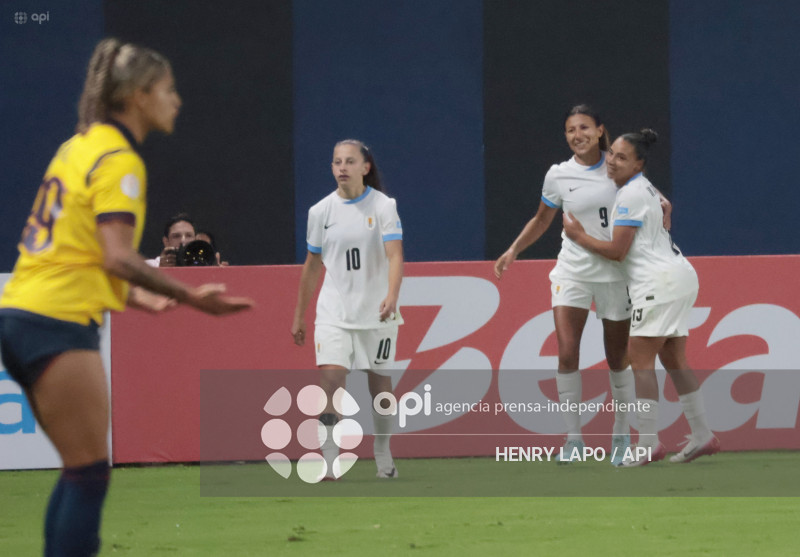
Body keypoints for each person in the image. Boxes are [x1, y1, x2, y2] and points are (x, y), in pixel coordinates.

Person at [0, 38, 254, 556]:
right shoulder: (120, 161)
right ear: (138, 96)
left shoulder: (78, 147)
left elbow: (81, 252)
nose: (176, 99)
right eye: (167, 89)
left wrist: (138, 301)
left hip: (22, 312)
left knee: (80, 469)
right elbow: (117, 256)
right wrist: (189, 297)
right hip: (56, 320)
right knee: (91, 473)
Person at [494, 105, 662, 465]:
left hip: (616, 275)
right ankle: (574, 439)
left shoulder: (619, 167)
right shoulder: (558, 175)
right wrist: (513, 250)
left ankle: (620, 435)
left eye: (584, 127)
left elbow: (659, 205)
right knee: (567, 352)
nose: (577, 135)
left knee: (618, 359)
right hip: (572, 272)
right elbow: (542, 219)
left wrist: (653, 249)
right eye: (570, 130)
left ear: (600, 130)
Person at [562, 128, 720, 466]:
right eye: (612, 154)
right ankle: (702, 434)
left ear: (639, 164)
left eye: (622, 157)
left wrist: (577, 235)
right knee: (674, 360)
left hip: (656, 283)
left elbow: (617, 251)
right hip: (679, 275)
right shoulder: (644, 188)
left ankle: (647, 443)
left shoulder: (631, 194)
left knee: (640, 360)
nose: (613, 162)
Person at [291, 139, 403, 480]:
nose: (342, 167)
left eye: (349, 161)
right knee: (331, 381)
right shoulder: (320, 212)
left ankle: (382, 449)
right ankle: (329, 457)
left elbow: (395, 255)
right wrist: (300, 314)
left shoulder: (383, 206)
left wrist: (392, 294)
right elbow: (312, 265)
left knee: (381, 389)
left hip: (376, 313)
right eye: (337, 161)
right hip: (333, 313)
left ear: (365, 167)